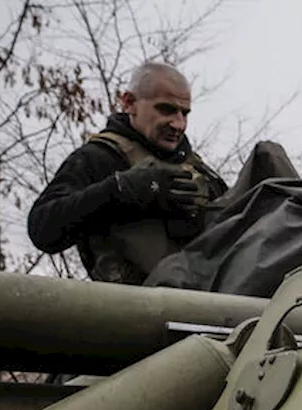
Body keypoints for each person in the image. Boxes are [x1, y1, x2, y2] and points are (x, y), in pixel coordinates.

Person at [28, 61, 228, 285]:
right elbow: (42, 227)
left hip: (204, 304)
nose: (178, 124)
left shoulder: (199, 170)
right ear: (129, 103)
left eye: (185, 113)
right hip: (131, 307)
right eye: (166, 109)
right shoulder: (99, 158)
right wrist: (121, 189)